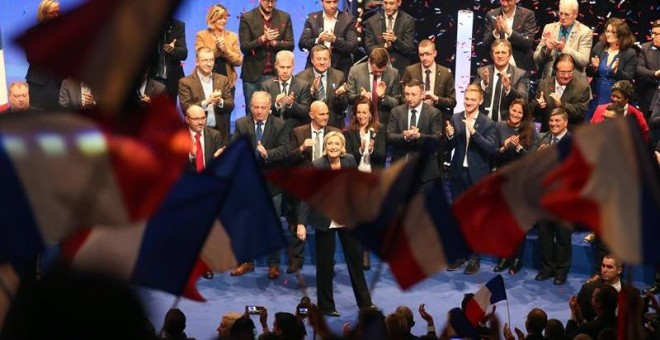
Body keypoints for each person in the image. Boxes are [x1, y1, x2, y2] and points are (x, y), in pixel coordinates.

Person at [297, 131, 374, 317]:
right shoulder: (317, 165)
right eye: (329, 144)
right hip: (324, 220)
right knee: (325, 265)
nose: (333, 147)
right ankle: (326, 306)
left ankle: (365, 303)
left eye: (336, 144)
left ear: (342, 147)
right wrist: (301, 223)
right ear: (325, 147)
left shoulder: (348, 161)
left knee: (355, 261)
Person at [229, 91, 290, 279]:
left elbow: (285, 150)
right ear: (250, 106)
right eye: (255, 107)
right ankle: (246, 261)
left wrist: (268, 154)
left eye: (263, 108)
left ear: (269, 108)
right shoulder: (241, 124)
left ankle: (273, 264)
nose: (259, 111)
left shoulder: (280, 125)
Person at [445, 84, 495, 274]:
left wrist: (474, 132)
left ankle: (474, 257)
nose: (468, 103)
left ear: (480, 101)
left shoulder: (488, 123)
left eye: (473, 100)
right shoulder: (456, 118)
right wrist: (449, 136)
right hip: (458, 173)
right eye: (466, 99)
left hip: (478, 175)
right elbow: (449, 147)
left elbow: (490, 149)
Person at [288, 101, 342, 272]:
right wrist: (302, 148)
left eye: (327, 113)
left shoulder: (335, 133)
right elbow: (288, 158)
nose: (325, 117)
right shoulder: (298, 132)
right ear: (311, 115)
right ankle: (297, 259)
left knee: (327, 227)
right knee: (299, 219)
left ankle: (328, 262)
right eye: (321, 114)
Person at [490, 98, 538, 274]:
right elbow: (493, 152)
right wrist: (503, 147)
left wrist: (518, 147)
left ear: (524, 115)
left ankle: (517, 258)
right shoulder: (499, 126)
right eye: (514, 110)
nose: (516, 114)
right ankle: (504, 256)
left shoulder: (531, 130)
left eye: (520, 112)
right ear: (509, 108)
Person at [345, 98, 386, 270]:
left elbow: (382, 156)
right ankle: (357, 252)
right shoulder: (350, 131)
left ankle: (366, 252)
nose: (361, 115)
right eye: (358, 112)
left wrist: (372, 150)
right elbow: (348, 157)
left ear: (371, 113)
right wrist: (361, 150)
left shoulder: (379, 129)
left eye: (364, 112)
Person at [535, 108, 572, 285]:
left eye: (558, 121)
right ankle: (547, 268)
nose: (554, 124)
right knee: (545, 234)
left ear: (565, 122)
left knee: (563, 237)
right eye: (551, 121)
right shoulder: (542, 138)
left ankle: (561, 271)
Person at [239, 0, 294, 116]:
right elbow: (244, 47)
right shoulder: (247, 17)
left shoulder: (284, 17)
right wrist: (263, 39)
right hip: (252, 75)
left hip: (274, 75)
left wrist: (274, 43)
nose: (270, 4)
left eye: (273, 1)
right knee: (251, 112)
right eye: (267, 1)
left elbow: (290, 45)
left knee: (274, 111)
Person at [387, 79, 444, 191]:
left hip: (425, 173)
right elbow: (389, 136)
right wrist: (404, 137)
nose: (409, 98)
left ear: (422, 95)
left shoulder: (434, 113)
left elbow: (437, 139)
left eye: (413, 94)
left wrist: (419, 136)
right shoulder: (396, 111)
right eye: (407, 94)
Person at [178, 47, 234, 146]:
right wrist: (206, 102)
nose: (209, 64)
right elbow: (186, 108)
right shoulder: (185, 82)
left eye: (211, 60)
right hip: (197, 133)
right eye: (205, 60)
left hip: (220, 132)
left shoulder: (223, 79)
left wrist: (220, 102)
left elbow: (230, 105)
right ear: (197, 61)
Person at [586, 17, 637, 121]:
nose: (609, 34)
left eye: (613, 32)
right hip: (596, 93)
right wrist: (594, 67)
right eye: (607, 31)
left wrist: (616, 71)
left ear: (621, 34)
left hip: (614, 97)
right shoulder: (599, 46)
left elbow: (628, 78)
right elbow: (588, 71)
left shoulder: (630, 53)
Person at [533, 0, 593, 80]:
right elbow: (536, 58)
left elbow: (583, 61)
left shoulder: (585, 32)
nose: (563, 17)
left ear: (575, 14)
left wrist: (564, 49)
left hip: (573, 84)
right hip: (549, 81)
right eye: (561, 13)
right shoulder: (549, 28)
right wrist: (547, 50)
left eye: (567, 14)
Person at [473, 39, 530, 123]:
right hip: (484, 124)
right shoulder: (482, 72)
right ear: (492, 55)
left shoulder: (520, 74)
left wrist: (508, 89)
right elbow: (471, 93)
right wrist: (483, 84)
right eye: (497, 53)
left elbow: (523, 100)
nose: (500, 56)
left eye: (503, 52)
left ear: (509, 55)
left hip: (508, 125)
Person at [531, 53, 590, 132]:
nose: (566, 76)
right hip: (547, 133)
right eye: (562, 72)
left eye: (570, 72)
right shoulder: (544, 84)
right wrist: (538, 105)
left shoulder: (582, 87)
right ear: (555, 70)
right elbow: (533, 111)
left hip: (569, 135)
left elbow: (581, 112)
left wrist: (562, 105)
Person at [298, 0, 358, 77]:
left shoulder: (349, 19)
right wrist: (317, 40)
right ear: (321, 2)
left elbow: (353, 47)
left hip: (340, 68)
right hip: (314, 69)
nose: (332, 5)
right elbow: (302, 44)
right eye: (328, 2)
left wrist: (335, 40)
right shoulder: (312, 18)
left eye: (335, 2)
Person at [346, 47, 402, 129]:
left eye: (381, 71)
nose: (379, 74)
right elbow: (349, 98)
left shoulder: (393, 73)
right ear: (369, 62)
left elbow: (396, 102)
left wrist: (383, 97)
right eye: (376, 71)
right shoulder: (355, 71)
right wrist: (360, 96)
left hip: (385, 123)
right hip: (360, 123)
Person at [295, 44, 348, 129]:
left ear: (330, 60)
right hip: (310, 126)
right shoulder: (301, 78)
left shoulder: (339, 76)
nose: (322, 62)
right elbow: (300, 108)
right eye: (319, 59)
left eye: (325, 59)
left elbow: (343, 107)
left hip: (333, 125)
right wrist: (311, 91)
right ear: (312, 60)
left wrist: (340, 96)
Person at [260, 50, 312, 133]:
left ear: (293, 66)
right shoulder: (266, 86)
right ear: (276, 65)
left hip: (295, 131)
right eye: (282, 67)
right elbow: (261, 112)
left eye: (288, 67)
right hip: (272, 131)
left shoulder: (303, 85)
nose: (285, 71)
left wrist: (292, 104)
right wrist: (276, 105)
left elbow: (306, 113)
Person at [401, 39, 457, 116]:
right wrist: (419, 103)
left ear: (435, 53)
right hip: (414, 117)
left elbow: (452, 102)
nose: (424, 58)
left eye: (427, 54)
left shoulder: (446, 73)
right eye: (421, 55)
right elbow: (402, 98)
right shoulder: (410, 71)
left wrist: (436, 99)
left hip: (438, 117)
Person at [195, 4, 242, 95]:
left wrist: (225, 50)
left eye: (225, 18)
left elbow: (238, 61)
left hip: (227, 83)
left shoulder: (232, 36)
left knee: (226, 108)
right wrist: (217, 48)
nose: (223, 21)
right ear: (212, 18)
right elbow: (201, 56)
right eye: (220, 18)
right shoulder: (201, 35)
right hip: (205, 82)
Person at [25, 0, 62, 110]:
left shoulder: (62, 32)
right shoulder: (33, 33)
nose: (56, 16)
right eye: (52, 13)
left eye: (58, 12)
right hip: (39, 83)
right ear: (43, 13)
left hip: (59, 82)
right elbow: (31, 58)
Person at [363, 0, 416, 75]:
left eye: (391, 3)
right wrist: (384, 46)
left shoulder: (408, 21)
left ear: (399, 3)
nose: (388, 7)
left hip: (400, 70)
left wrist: (395, 39)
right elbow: (368, 48)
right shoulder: (372, 21)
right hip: (378, 69)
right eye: (385, 3)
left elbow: (409, 49)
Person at [482, 0, 537, 73]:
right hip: (496, 68)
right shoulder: (491, 15)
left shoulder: (527, 14)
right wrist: (496, 32)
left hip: (520, 68)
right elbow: (485, 43)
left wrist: (508, 31)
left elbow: (528, 42)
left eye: (508, 0)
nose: (504, 4)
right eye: (502, 0)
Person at [149, 18, 187, 100]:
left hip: (171, 80)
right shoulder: (147, 24)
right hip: (152, 78)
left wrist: (172, 50)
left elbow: (184, 54)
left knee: (168, 111)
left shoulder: (178, 25)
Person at [635, 19, 660, 116]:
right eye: (652, 33)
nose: (652, 36)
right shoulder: (645, 48)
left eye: (656, 34)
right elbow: (639, 69)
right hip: (648, 98)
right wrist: (655, 74)